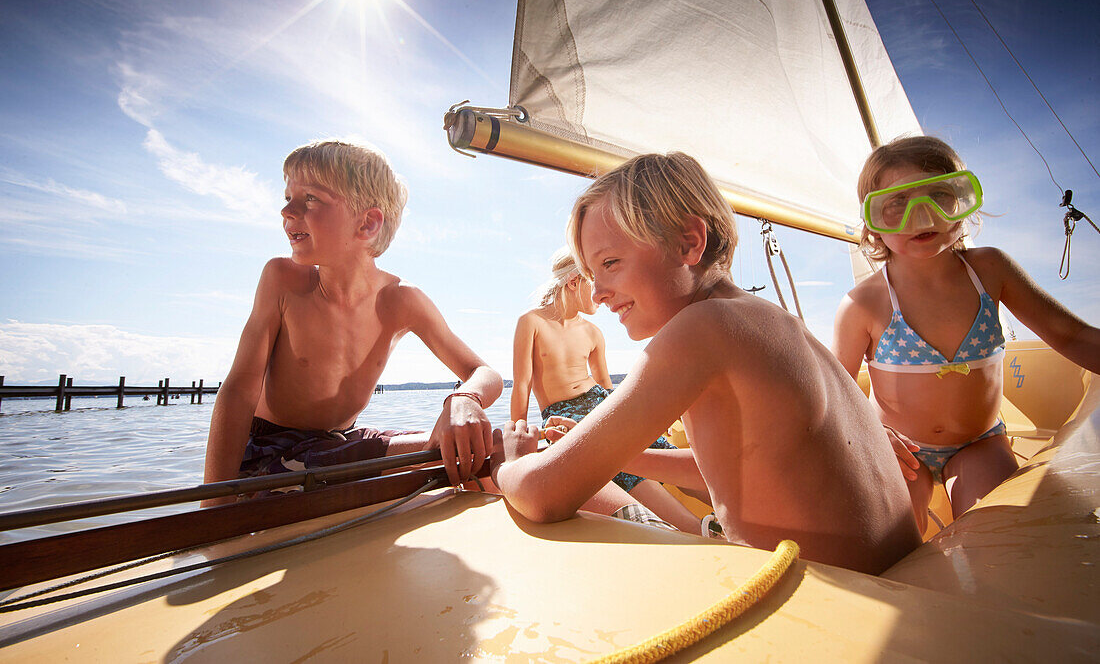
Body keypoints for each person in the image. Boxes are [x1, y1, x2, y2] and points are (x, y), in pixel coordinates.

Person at [493, 152, 920, 574]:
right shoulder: (771, 321)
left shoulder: (701, 329)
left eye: (609, 264)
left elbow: (541, 495)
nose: (599, 293)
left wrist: (510, 461)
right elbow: (742, 464)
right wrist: (619, 456)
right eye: (592, 275)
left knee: (591, 513)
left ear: (688, 243)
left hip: (833, 604)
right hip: (897, 586)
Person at [202, 140, 502, 506]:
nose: (287, 210)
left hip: (343, 443)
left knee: (479, 448)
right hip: (268, 450)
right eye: (288, 196)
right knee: (424, 453)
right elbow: (238, 390)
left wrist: (464, 399)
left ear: (367, 223)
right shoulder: (281, 279)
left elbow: (485, 372)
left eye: (310, 198)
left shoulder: (401, 300)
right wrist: (214, 504)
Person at [832, 135, 1100, 533]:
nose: (922, 217)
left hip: (979, 443)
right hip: (899, 448)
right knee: (889, 538)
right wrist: (871, 438)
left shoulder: (990, 270)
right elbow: (835, 391)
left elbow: (1072, 336)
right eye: (897, 205)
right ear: (873, 223)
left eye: (939, 196)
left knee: (1001, 538)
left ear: (963, 202)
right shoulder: (863, 304)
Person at [511, 247, 702, 533]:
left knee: (661, 448)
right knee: (621, 464)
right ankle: (695, 528)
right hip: (564, 412)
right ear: (574, 281)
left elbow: (604, 383)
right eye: (594, 281)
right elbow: (522, 383)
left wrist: (625, 414)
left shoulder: (592, 332)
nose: (603, 294)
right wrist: (519, 436)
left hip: (602, 402)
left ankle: (730, 510)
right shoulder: (532, 322)